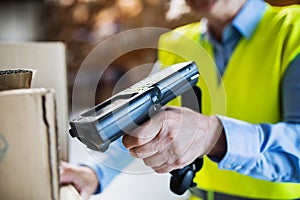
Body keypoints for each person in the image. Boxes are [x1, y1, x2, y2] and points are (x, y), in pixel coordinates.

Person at [61, 0, 300, 199]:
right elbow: (141, 118)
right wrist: (94, 172)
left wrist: (213, 136)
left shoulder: (293, 29)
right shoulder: (178, 42)